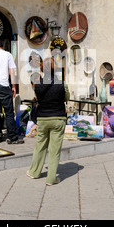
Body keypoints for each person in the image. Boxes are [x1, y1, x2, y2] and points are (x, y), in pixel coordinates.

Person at [27, 57, 69, 185]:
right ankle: (51, 178)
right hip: (58, 117)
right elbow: (66, 97)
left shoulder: (37, 83)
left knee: (40, 146)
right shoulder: (62, 83)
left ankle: (34, 172)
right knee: (54, 150)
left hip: (42, 118)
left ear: (41, 68)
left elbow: (38, 97)